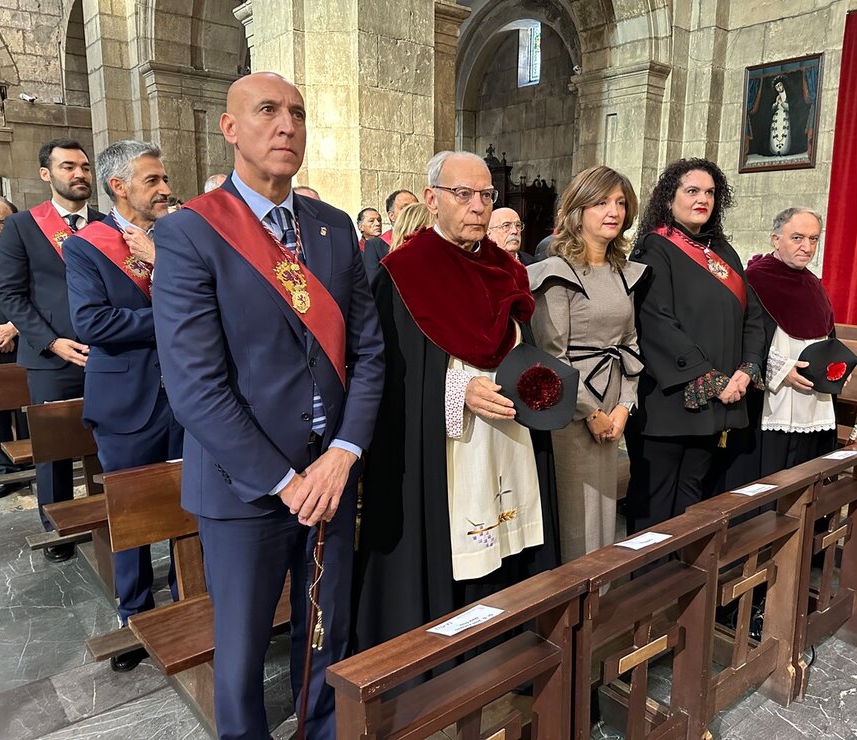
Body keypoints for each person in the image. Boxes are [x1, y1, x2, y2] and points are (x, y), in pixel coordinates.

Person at [152, 72, 384, 739]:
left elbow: (368, 355)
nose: (287, 125)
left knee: (326, 634)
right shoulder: (191, 234)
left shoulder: (334, 229)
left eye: (298, 113)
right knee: (244, 654)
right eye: (267, 111)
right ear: (230, 128)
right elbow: (195, 386)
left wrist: (342, 455)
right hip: (245, 489)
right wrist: (286, 482)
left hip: (332, 478)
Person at [354, 150, 559, 650]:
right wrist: (458, 391)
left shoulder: (504, 269)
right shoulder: (404, 271)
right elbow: (387, 377)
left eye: (485, 195)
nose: (477, 207)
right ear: (431, 199)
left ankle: (512, 641)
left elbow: (521, 341)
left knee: (513, 529)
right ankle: (450, 651)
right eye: (462, 194)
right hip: (447, 441)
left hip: (508, 430)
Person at [63, 140, 182, 673]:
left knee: (190, 501)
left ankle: (190, 598)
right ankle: (133, 611)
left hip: (186, 395)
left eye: (163, 178)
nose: (165, 188)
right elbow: (93, 322)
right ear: (120, 187)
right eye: (153, 180)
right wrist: (176, 318)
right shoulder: (87, 246)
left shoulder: (177, 234)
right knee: (131, 512)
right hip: (126, 401)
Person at [625, 158, 765, 533]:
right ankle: (647, 585)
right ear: (669, 198)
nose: (702, 199)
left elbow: (753, 317)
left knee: (691, 500)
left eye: (710, 192)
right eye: (692, 191)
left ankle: (679, 578)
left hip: (717, 405)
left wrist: (746, 370)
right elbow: (656, 324)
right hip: (668, 404)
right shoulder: (655, 248)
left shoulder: (723, 250)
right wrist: (714, 380)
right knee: (654, 503)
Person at [529, 166, 647, 562]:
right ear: (577, 210)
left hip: (612, 407)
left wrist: (624, 406)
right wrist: (591, 411)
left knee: (603, 511)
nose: (613, 210)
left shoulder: (621, 272)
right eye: (601, 202)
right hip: (569, 408)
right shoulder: (557, 272)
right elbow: (552, 357)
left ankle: (600, 599)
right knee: (574, 511)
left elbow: (629, 344)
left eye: (619, 202)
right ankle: (569, 611)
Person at [0, 138, 103, 562]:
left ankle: (108, 511)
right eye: (68, 167)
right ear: (47, 174)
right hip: (50, 358)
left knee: (105, 442)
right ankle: (56, 528)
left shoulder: (103, 223)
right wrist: (52, 341)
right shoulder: (23, 226)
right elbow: (11, 294)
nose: (79, 174)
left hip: (103, 354)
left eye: (84, 167)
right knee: (55, 448)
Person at [725, 208, 837, 486]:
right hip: (768, 399)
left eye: (813, 239)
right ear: (775, 239)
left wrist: (838, 365)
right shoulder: (753, 280)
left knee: (804, 471)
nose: (807, 247)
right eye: (797, 237)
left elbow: (827, 336)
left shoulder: (814, 284)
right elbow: (738, 338)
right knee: (766, 475)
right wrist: (779, 369)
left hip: (811, 398)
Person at [0, 196, 28, 499]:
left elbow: (42, 292)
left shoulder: (27, 250)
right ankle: (5, 469)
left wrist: (13, 326)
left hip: (27, 337)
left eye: (3, 221)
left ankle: (34, 458)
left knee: (31, 407)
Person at [362, 188, 418, 281]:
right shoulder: (375, 246)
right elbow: (374, 284)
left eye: (415, 208)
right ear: (391, 216)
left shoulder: (427, 241)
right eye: (405, 208)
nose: (411, 212)